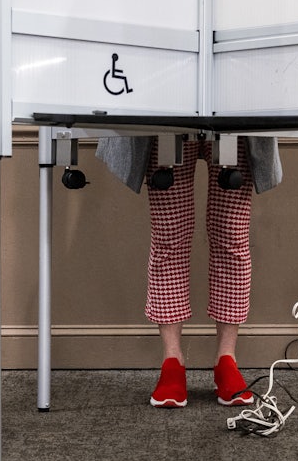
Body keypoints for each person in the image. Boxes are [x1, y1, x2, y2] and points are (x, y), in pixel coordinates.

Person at [97, 135, 282, 407]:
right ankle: (172, 360)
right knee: (168, 238)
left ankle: (226, 360)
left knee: (232, 235)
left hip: (233, 110)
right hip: (169, 106)